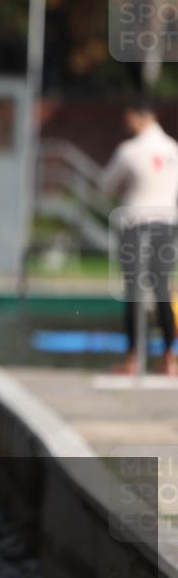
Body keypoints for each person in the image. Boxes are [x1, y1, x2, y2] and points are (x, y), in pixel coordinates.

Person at [103, 100, 178, 376]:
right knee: (162, 290)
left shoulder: (129, 151)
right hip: (166, 225)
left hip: (136, 223)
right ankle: (170, 359)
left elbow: (106, 183)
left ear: (138, 117)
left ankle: (133, 359)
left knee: (134, 290)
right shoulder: (174, 150)